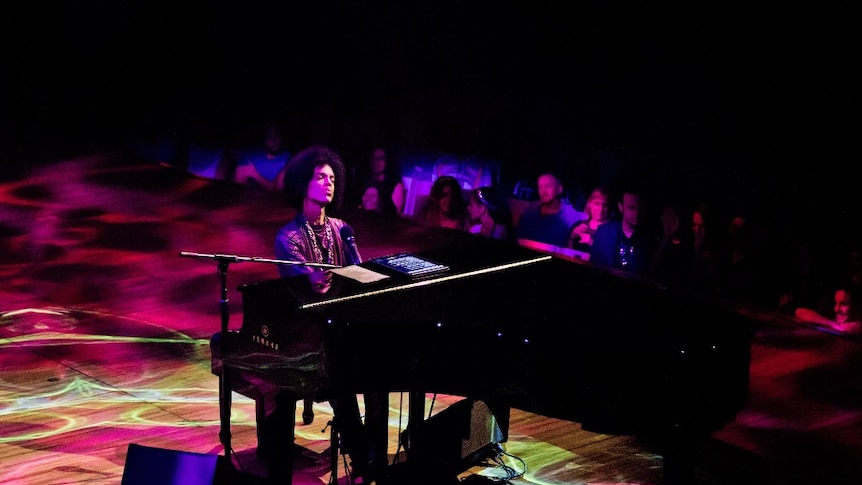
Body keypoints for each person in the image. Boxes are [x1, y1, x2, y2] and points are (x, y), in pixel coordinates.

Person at [271, 146, 386, 483]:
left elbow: (359, 274)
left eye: (332, 178)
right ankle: (363, 457)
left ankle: (374, 450)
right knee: (342, 376)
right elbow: (315, 287)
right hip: (306, 331)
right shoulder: (288, 237)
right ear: (302, 183)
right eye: (320, 177)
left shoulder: (342, 228)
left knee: (380, 369)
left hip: (344, 324)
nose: (328, 183)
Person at [590, 187, 658, 277]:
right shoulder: (603, 232)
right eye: (631, 208)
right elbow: (593, 266)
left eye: (640, 208)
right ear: (620, 207)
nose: (636, 213)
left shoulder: (649, 239)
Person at [515, 170, 587, 248]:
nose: (543, 191)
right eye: (540, 187)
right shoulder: (531, 209)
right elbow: (518, 237)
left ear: (559, 189)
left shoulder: (570, 217)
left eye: (548, 186)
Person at [234, 122, 291, 191]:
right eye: (269, 137)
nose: (273, 141)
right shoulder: (252, 153)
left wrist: (255, 175)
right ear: (264, 138)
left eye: (276, 136)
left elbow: (277, 190)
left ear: (282, 137)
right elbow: (239, 177)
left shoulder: (289, 159)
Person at [354, 146, 406, 215]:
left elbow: (395, 215)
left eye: (380, 159)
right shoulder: (364, 181)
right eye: (373, 158)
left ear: (387, 161)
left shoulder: (395, 185)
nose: (376, 162)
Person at [795, 285, 862, 336]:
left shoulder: (858, 327)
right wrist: (833, 324)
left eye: (844, 304)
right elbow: (799, 312)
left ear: (857, 306)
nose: (836, 309)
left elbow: (852, 328)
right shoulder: (833, 319)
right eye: (835, 303)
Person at [566, 186, 612, 255]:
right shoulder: (579, 225)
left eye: (605, 205)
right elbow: (567, 253)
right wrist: (572, 237)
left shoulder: (613, 230)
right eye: (597, 204)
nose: (601, 209)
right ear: (590, 204)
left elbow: (611, 257)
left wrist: (591, 242)